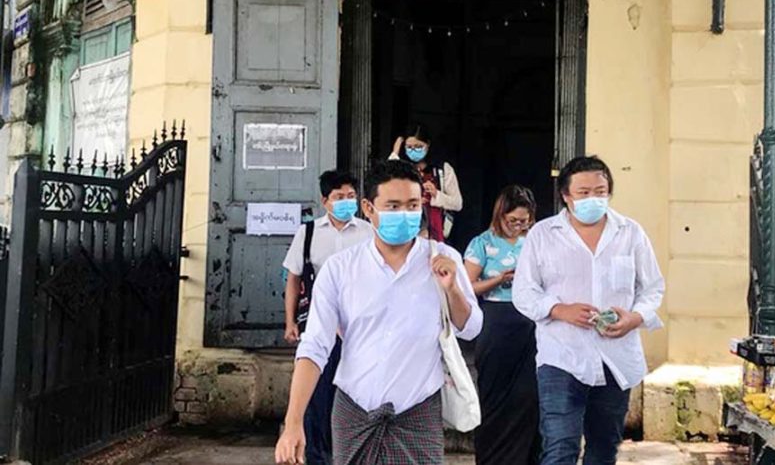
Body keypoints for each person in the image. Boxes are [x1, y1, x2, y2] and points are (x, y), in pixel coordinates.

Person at [275, 160, 483, 465]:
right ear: (369, 208)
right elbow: (315, 346)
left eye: (412, 205)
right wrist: (293, 422)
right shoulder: (340, 268)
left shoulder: (443, 258)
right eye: (393, 205)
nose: (404, 214)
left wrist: (452, 288)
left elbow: (471, 327)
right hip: (354, 409)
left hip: (419, 410)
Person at [512, 156, 665, 465]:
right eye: (583, 192)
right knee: (559, 447)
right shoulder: (543, 235)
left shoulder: (631, 233)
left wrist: (634, 317)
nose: (593, 198)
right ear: (566, 196)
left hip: (616, 358)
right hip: (562, 357)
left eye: (600, 190)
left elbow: (652, 288)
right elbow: (524, 292)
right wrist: (558, 309)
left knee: (604, 448)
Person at [281, 170, 373, 465]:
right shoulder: (307, 233)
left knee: (354, 392)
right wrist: (290, 322)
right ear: (325, 201)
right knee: (317, 394)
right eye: (339, 197)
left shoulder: (369, 232)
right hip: (319, 323)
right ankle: (319, 456)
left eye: (351, 196)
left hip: (358, 325)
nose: (347, 202)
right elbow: (294, 280)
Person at [464, 185, 542, 465]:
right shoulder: (482, 243)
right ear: (500, 216)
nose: (519, 226)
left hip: (531, 324)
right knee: (495, 398)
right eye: (513, 221)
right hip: (497, 322)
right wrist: (499, 280)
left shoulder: (536, 241)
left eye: (524, 221)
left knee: (530, 397)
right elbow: (467, 287)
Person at [389, 124, 462, 242]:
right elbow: (385, 187)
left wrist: (436, 194)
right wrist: (395, 154)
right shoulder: (401, 169)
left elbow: (458, 204)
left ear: (427, 145)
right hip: (404, 235)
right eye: (409, 147)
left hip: (436, 235)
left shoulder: (442, 170)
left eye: (418, 146)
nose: (413, 151)